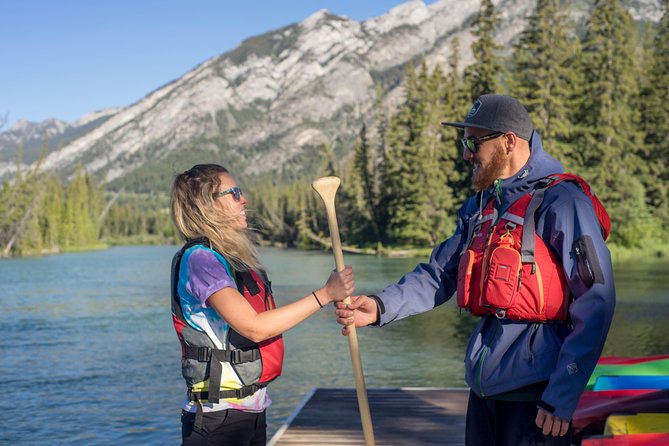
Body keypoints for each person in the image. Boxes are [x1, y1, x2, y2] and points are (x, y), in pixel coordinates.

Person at [334, 94, 615, 445]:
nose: (467, 154)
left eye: (474, 142)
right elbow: (439, 274)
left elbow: (597, 302)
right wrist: (379, 307)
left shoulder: (563, 202)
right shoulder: (480, 207)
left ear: (508, 141)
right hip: (483, 393)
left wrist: (563, 394)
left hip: (537, 400)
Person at [170, 163, 355, 446]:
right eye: (234, 193)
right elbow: (254, 328)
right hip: (217, 420)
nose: (244, 200)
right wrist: (325, 295)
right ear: (208, 205)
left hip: (250, 412)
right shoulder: (201, 260)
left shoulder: (228, 259)